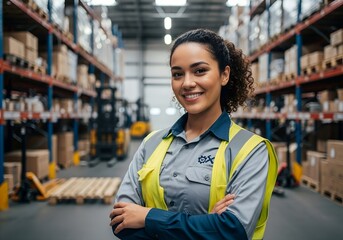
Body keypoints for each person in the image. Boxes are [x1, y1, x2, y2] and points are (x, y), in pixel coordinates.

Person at [109, 29, 278, 240]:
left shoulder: (250, 150)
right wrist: (206, 225)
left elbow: (232, 231)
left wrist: (148, 217)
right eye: (177, 74)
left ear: (224, 75)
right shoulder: (151, 144)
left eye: (199, 71)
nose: (187, 83)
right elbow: (121, 221)